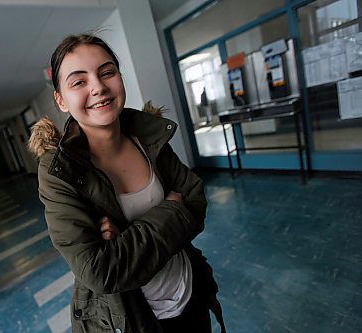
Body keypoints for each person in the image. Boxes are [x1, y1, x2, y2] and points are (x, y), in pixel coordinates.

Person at [29, 33, 225, 333]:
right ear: (61, 100)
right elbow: (101, 271)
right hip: (134, 321)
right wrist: (171, 209)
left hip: (190, 291)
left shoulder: (149, 135)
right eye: (79, 81)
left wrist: (126, 239)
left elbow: (196, 201)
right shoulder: (58, 172)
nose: (98, 87)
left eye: (106, 72)